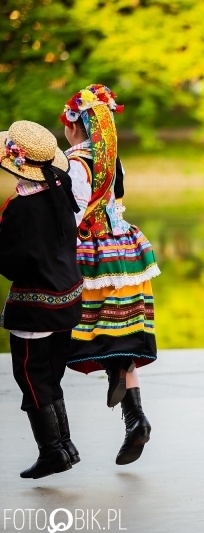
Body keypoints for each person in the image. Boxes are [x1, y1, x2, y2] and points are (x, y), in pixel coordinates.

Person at [60, 84, 160, 464]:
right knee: (118, 335)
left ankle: (54, 439)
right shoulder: (112, 159)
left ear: (75, 125)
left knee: (79, 333)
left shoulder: (77, 163)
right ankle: (136, 420)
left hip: (93, 256)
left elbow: (74, 214)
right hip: (125, 252)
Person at [0, 120, 84, 479]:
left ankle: (54, 451)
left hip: (37, 306)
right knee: (50, 375)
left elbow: (13, 262)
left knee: (30, 376)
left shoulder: (20, 208)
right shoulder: (60, 187)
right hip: (68, 296)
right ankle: (64, 446)